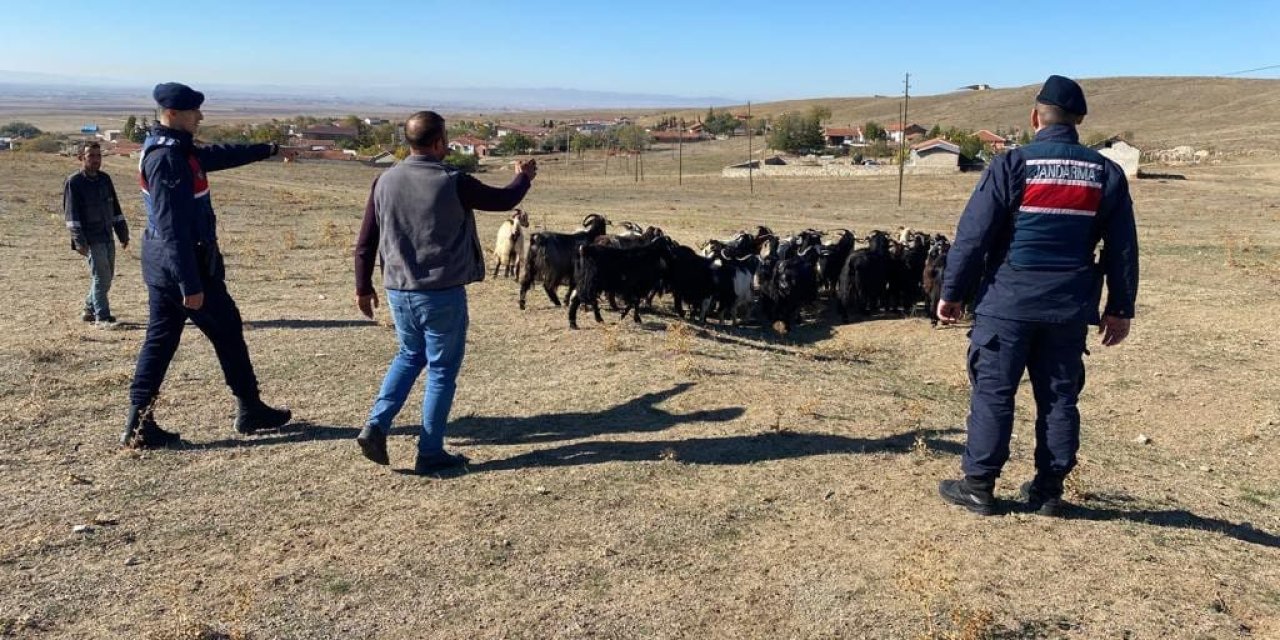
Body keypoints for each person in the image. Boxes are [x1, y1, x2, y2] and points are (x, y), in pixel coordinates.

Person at [935, 75, 1139, 516]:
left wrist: (951, 292)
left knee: (993, 392)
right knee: (1060, 398)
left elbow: (973, 236)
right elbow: (1122, 248)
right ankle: (1049, 491)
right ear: (1080, 121)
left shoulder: (1012, 164)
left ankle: (979, 487)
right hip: (1068, 309)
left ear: (1035, 117)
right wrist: (1120, 308)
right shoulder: (1106, 173)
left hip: (1007, 305)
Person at [353, 110, 536, 474]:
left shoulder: (383, 181)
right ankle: (430, 451)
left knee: (409, 354)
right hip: (440, 293)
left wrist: (362, 287)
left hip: (398, 290)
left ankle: (376, 424)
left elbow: (365, 241)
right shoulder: (452, 180)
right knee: (441, 370)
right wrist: (523, 176)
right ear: (438, 142)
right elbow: (502, 201)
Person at [121, 82, 292, 449]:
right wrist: (190, 284)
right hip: (184, 265)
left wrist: (269, 149)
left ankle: (139, 424)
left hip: (167, 264)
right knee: (226, 331)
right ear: (172, 114)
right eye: (193, 112)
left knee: (162, 340)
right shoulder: (168, 159)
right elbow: (172, 228)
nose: (200, 117)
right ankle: (250, 408)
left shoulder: (174, 148)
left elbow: (217, 155)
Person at [64, 141, 129, 327]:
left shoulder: (104, 179)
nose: (95, 160)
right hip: (91, 239)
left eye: (98, 156)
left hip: (107, 235)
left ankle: (89, 309)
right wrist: (79, 241)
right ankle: (103, 317)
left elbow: (115, 208)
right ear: (81, 158)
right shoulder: (74, 182)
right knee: (101, 277)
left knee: (107, 277)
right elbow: (71, 216)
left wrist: (123, 234)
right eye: (91, 156)